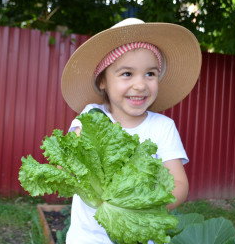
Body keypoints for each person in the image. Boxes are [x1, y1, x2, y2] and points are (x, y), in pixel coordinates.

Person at [60, 18, 202, 244]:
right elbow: (65, 164)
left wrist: (139, 206)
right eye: (127, 74)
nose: (140, 85)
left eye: (150, 74)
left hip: (141, 235)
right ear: (103, 81)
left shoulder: (162, 127)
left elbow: (180, 185)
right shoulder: (91, 117)